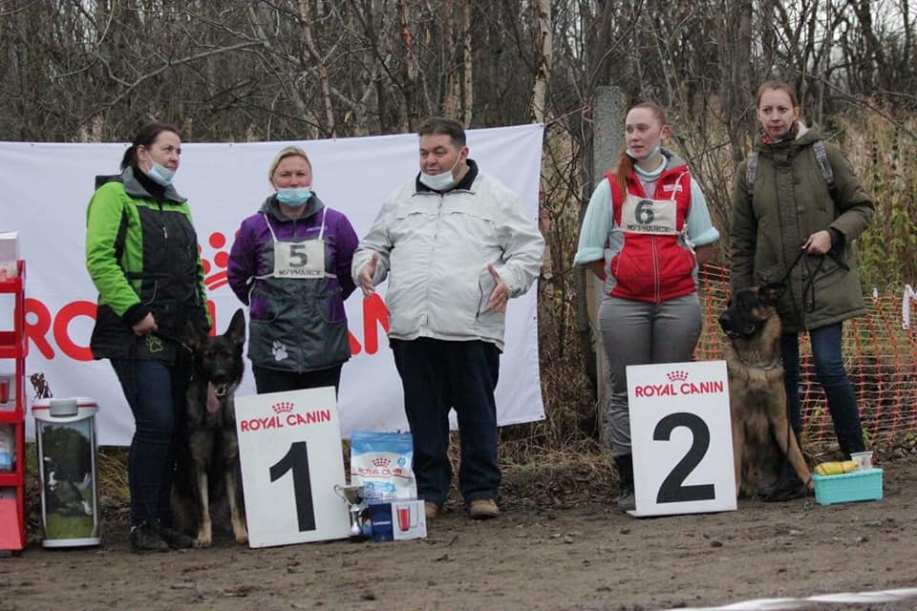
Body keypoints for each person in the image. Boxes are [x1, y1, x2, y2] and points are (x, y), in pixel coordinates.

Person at [352, 117, 544, 520]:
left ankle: (481, 491)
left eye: (439, 151)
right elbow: (375, 247)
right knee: (424, 416)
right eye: (424, 152)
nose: (430, 160)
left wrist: (509, 279)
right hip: (412, 329)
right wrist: (367, 266)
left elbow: (529, 250)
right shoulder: (401, 199)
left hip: (472, 327)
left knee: (477, 414)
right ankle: (429, 493)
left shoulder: (496, 197)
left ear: (463, 152)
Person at [730, 80, 874, 500]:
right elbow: (742, 240)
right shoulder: (749, 170)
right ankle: (791, 474)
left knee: (829, 368)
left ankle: (858, 459)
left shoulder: (825, 154)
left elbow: (862, 207)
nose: (775, 117)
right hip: (774, 294)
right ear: (757, 114)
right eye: (767, 110)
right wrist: (742, 298)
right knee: (785, 380)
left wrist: (833, 233)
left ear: (795, 110)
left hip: (825, 282)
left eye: (782, 109)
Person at [574, 101, 720, 511]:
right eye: (629, 130)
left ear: (663, 133)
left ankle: (670, 481)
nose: (634, 137)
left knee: (673, 387)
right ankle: (630, 481)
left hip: (678, 303)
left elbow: (706, 241)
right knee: (626, 390)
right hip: (625, 305)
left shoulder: (686, 183)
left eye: (642, 129)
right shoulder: (611, 186)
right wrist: (622, 275)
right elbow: (590, 252)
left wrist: (683, 269)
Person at [86, 122, 207, 552]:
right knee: (155, 421)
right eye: (167, 149)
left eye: (179, 152)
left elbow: (195, 270)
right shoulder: (113, 195)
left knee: (173, 426)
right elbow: (99, 258)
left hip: (179, 331)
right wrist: (134, 311)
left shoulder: (179, 204)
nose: (174, 158)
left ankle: (163, 521)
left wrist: (202, 322)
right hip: (132, 329)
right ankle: (142, 524)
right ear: (142, 153)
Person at [227, 146, 359, 394]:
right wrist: (264, 305)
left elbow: (350, 272)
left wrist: (326, 301)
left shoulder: (336, 223)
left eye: (300, 174)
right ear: (273, 180)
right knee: (277, 418)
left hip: (324, 346)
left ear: (311, 178)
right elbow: (237, 276)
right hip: (271, 348)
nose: (294, 181)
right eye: (285, 175)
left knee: (319, 418)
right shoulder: (253, 227)